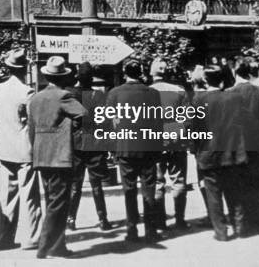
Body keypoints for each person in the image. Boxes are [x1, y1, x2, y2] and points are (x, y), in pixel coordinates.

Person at [28, 56, 86, 259]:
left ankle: (58, 245)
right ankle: (47, 247)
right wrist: (73, 127)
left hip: (41, 155)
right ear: (64, 77)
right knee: (59, 202)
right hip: (60, 154)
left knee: (52, 200)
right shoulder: (64, 96)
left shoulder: (35, 98)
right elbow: (84, 116)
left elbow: (31, 130)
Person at [105, 61, 163, 244]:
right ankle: (151, 230)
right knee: (149, 190)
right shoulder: (153, 93)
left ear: (124, 72)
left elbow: (109, 122)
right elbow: (157, 123)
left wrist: (112, 147)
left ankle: (132, 229)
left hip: (125, 148)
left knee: (129, 190)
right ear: (142, 72)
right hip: (148, 148)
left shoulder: (114, 93)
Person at [193, 65, 251, 241]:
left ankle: (221, 232)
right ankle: (240, 227)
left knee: (213, 194)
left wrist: (196, 150)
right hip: (232, 152)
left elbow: (194, 129)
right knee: (234, 192)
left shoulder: (198, 100)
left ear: (205, 79)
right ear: (222, 79)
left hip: (208, 154)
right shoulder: (235, 98)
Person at [0, 49, 42, 251]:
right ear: (25, 69)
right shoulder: (27, 92)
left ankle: (4, 238)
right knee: (30, 195)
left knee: (7, 195)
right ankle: (32, 238)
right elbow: (35, 123)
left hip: (5, 147)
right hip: (24, 149)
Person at [65, 62, 112, 232]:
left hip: (76, 143)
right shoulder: (98, 95)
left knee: (75, 184)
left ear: (77, 76)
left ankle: (71, 219)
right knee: (96, 183)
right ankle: (102, 219)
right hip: (95, 143)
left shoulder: (69, 94)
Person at [228, 58, 259, 233]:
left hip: (238, 145)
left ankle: (244, 220)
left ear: (235, 72)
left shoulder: (229, 92)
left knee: (241, 183)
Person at [149, 59, 190, 230]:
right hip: (176, 141)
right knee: (179, 181)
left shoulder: (147, 92)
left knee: (157, 183)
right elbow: (188, 119)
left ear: (152, 72)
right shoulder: (179, 91)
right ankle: (180, 219)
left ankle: (160, 222)